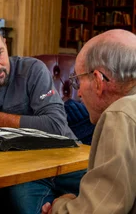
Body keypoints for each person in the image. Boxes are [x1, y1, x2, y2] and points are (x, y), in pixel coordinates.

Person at [0, 23, 86, 214]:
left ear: (6, 45)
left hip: (66, 159)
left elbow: (57, 125)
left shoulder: (33, 70)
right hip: (23, 173)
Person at [42, 29, 136, 214]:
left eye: (78, 81)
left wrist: (61, 206)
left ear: (98, 81)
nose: (79, 93)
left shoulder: (120, 114)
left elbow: (99, 210)